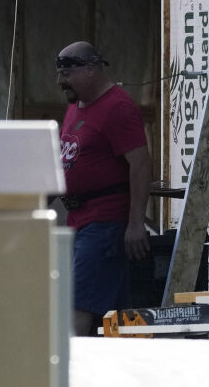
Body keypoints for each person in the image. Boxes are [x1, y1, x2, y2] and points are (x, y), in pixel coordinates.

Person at [55, 41, 151, 336]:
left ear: (91, 69)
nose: (61, 83)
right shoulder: (76, 106)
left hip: (104, 221)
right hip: (77, 221)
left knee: (78, 305)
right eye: (59, 75)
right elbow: (66, 160)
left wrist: (135, 223)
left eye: (67, 75)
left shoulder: (117, 108)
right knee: (78, 301)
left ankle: (72, 375)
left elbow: (141, 163)